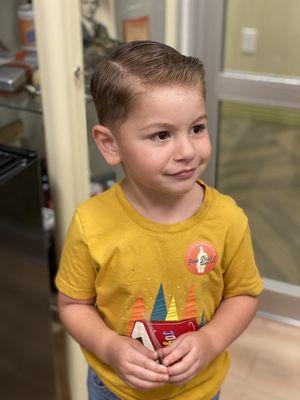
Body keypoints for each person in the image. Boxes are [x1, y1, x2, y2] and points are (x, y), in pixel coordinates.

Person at [55, 40, 263, 400]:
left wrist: (210, 339)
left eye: (196, 128)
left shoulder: (228, 219)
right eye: (162, 135)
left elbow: (243, 294)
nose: (186, 151)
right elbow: (73, 305)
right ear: (110, 144)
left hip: (197, 390)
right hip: (114, 390)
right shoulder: (91, 223)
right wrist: (109, 347)